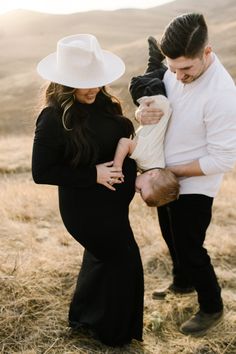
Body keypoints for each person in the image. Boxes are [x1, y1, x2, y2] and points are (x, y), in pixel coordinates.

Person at [32, 34, 144, 347]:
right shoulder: (53, 118)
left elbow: (121, 137)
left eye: (96, 80)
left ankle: (85, 316)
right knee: (125, 262)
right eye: (85, 82)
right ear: (65, 83)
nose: (94, 87)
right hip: (84, 209)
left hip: (113, 206)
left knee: (101, 259)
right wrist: (92, 174)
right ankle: (114, 336)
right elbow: (41, 172)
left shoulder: (106, 103)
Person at [133, 13, 236, 336]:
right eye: (172, 68)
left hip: (194, 183)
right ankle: (182, 283)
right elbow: (159, 93)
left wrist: (169, 171)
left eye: (186, 69)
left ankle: (212, 307)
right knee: (169, 234)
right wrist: (142, 110)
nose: (177, 77)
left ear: (207, 52)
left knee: (191, 247)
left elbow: (224, 158)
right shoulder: (178, 71)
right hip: (166, 175)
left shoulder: (222, 94)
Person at [113, 37, 179, 207]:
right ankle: (156, 59)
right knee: (135, 84)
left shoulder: (156, 164)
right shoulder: (146, 157)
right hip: (154, 101)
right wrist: (117, 167)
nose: (137, 191)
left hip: (161, 99)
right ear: (153, 175)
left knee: (154, 72)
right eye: (142, 190)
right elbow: (124, 143)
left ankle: (156, 60)